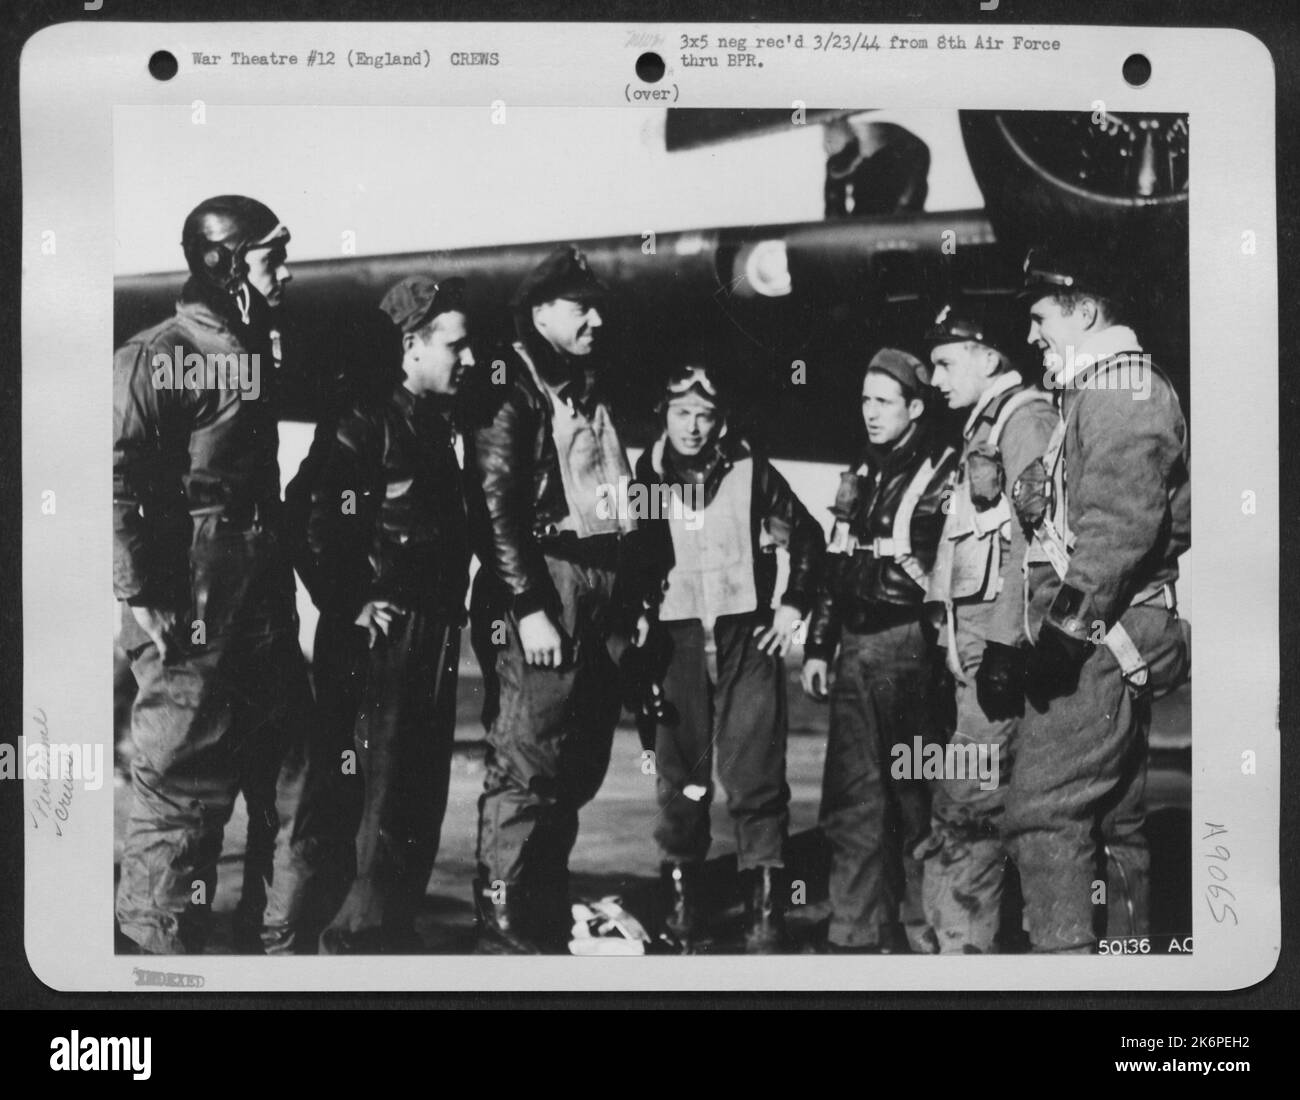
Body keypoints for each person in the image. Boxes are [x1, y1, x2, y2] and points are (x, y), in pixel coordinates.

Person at [113, 195, 318, 954]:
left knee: (298, 796)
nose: (287, 273)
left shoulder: (250, 351)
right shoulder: (159, 354)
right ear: (226, 262)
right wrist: (142, 592)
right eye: (273, 258)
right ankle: (156, 975)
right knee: (183, 806)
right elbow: (120, 474)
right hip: (192, 610)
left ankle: (278, 961)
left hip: (261, 609)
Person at [1004, 245, 1190, 953]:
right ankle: (1126, 966)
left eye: (1040, 316)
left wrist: (1064, 635)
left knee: (1046, 815)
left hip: (1096, 643)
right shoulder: (1103, 391)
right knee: (1114, 819)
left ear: (1083, 310)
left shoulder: (1119, 393)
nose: (1031, 335)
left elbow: (1118, 527)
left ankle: (1069, 978)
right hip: (1114, 636)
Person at [298, 275, 476, 954]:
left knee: (418, 794)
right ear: (411, 346)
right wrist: (348, 604)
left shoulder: (439, 429)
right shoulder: (364, 421)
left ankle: (390, 932)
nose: (466, 360)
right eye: (455, 347)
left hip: (433, 632)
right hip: (384, 636)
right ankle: (356, 941)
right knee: (377, 798)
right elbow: (310, 519)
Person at [466, 244, 636, 953]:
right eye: (579, 308)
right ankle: (503, 924)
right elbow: (494, 506)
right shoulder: (510, 387)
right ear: (539, 313)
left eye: (598, 306)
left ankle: (538, 905)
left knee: (573, 765)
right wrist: (530, 604)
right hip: (543, 585)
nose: (596, 318)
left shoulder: (581, 384)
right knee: (528, 763)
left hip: (594, 585)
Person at [622, 364, 823, 953]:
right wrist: (633, 612)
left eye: (704, 415)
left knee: (756, 779)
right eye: (681, 413)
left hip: (745, 638)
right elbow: (632, 549)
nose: (692, 426)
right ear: (664, 414)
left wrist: (793, 607)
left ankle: (765, 916)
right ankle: (684, 913)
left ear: (720, 419)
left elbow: (806, 535)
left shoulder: (749, 470)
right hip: (675, 641)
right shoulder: (646, 473)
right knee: (680, 783)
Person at [801, 349, 957, 953]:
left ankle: (928, 932)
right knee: (852, 799)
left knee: (917, 794)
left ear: (916, 408)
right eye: (865, 400)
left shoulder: (948, 473)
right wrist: (819, 644)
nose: (869, 413)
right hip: (855, 649)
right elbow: (838, 566)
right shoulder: (860, 473)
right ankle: (857, 931)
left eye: (883, 401)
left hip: (910, 650)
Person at [918, 299, 1056, 953]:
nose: (935, 378)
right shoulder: (985, 424)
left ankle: (964, 952)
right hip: (972, 648)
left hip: (995, 647)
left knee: (972, 798)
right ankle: (959, 938)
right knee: (968, 791)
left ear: (986, 355)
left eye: (945, 362)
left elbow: (1043, 544)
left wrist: (1003, 642)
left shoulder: (1023, 421)